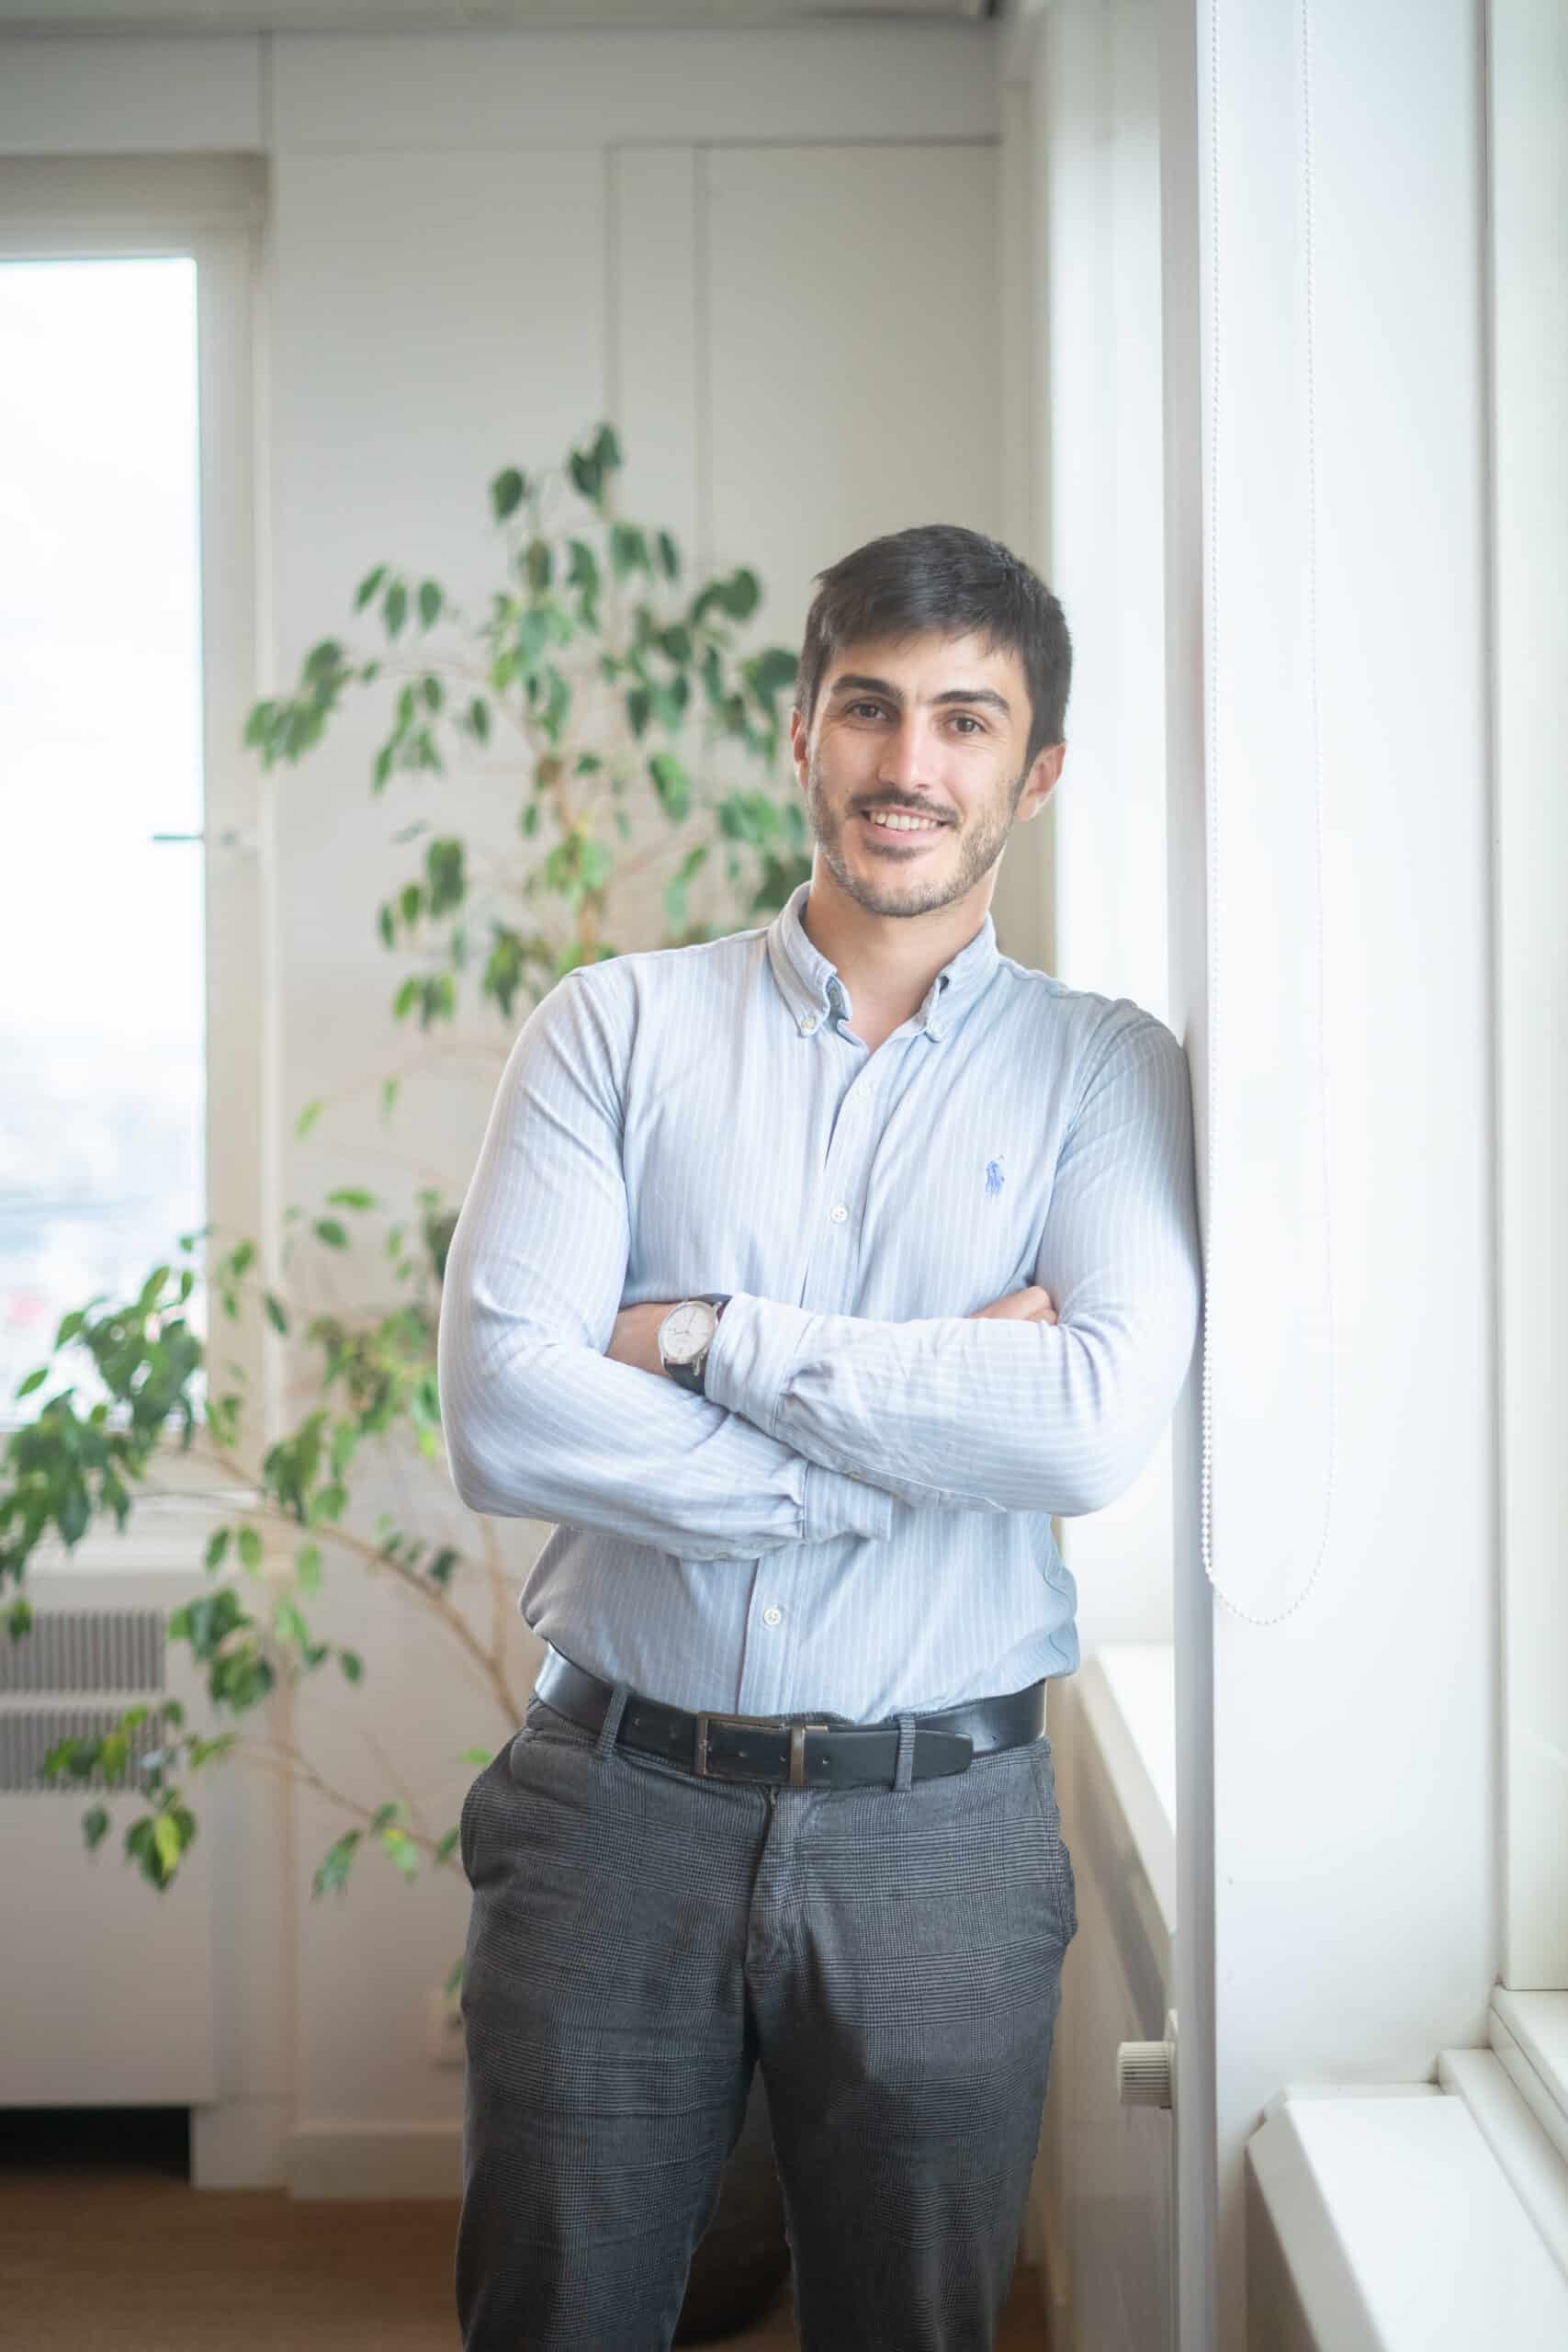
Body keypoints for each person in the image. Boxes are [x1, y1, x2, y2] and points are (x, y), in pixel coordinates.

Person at [438, 522, 1202, 2351]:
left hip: (940, 1829)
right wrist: (911, 1426)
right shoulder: (614, 1029)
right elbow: (500, 1403)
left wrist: (707, 1335)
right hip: (614, 1802)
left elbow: (1087, 1420)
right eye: (867, 707)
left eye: (961, 719)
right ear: (800, 732)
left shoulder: (1105, 1070)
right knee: (556, 2316)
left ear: (1035, 771)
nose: (905, 764)